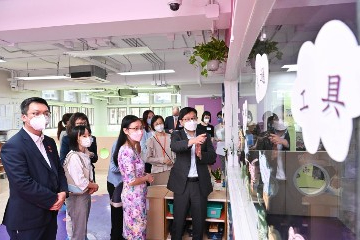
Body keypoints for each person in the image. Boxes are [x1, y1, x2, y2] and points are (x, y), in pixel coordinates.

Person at [0, 97, 68, 240]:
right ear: (24, 117)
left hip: (49, 215)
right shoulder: (13, 146)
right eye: (36, 113)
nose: (42, 117)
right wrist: (53, 199)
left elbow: (58, 169)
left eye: (46, 113)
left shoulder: (49, 142)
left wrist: (63, 191)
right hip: (27, 218)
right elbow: (22, 182)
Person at [167, 107, 216, 240]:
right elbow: (175, 146)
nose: (191, 121)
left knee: (199, 222)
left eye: (193, 118)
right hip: (182, 184)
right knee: (178, 220)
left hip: (199, 184)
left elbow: (212, 157)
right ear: (181, 122)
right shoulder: (177, 134)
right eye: (187, 119)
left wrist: (201, 155)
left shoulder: (205, 134)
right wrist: (192, 141)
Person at [113, 115, 154, 239]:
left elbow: (135, 172)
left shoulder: (133, 148)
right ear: (126, 130)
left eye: (141, 128)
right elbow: (131, 180)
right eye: (135, 128)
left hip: (138, 195)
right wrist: (146, 178)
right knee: (136, 230)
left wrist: (144, 175)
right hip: (133, 198)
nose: (140, 131)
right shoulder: (127, 151)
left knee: (139, 228)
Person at [59, 112, 98, 240]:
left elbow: (89, 168)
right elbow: (80, 181)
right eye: (84, 136)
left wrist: (91, 183)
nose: (88, 138)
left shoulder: (85, 153)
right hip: (77, 194)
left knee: (82, 224)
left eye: (89, 135)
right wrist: (94, 185)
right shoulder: (74, 156)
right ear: (76, 138)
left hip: (85, 192)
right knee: (77, 228)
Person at [145, 115, 175, 185]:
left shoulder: (171, 137)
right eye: (156, 124)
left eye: (161, 123)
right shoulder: (150, 140)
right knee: (157, 194)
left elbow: (176, 153)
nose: (159, 125)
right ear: (153, 126)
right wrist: (162, 160)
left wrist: (172, 161)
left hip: (171, 170)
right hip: (157, 172)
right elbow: (148, 158)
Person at [107, 140, 125, 240]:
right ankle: (115, 236)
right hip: (116, 183)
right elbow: (113, 168)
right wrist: (129, 167)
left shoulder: (134, 143)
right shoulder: (118, 144)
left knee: (123, 213)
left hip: (125, 184)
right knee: (117, 213)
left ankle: (120, 235)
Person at [140, 109, 154, 174]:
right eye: (149, 117)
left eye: (153, 116)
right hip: (148, 158)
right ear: (145, 119)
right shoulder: (144, 131)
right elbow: (142, 146)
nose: (151, 118)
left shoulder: (158, 129)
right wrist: (149, 155)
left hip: (158, 159)